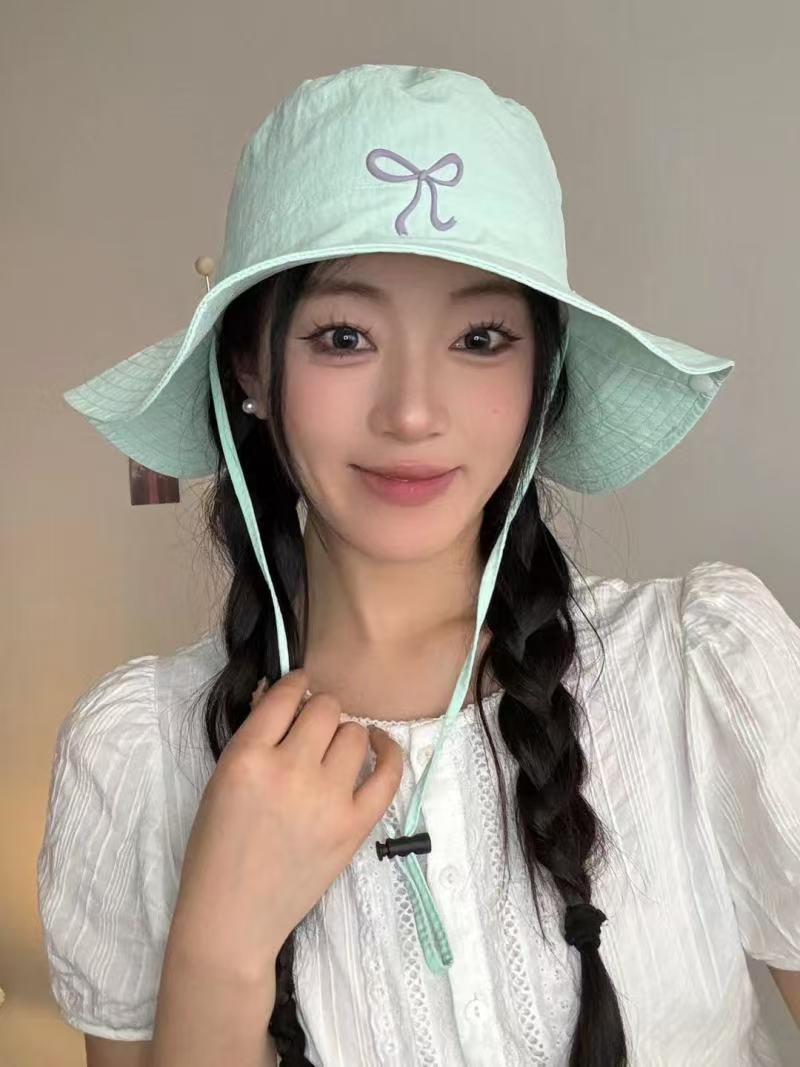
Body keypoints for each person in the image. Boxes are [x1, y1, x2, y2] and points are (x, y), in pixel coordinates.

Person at [37, 64, 800, 1066]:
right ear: (251, 366)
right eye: (342, 336)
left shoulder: (703, 677)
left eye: (480, 338)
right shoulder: (135, 760)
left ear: (542, 373)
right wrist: (218, 952)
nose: (410, 411)